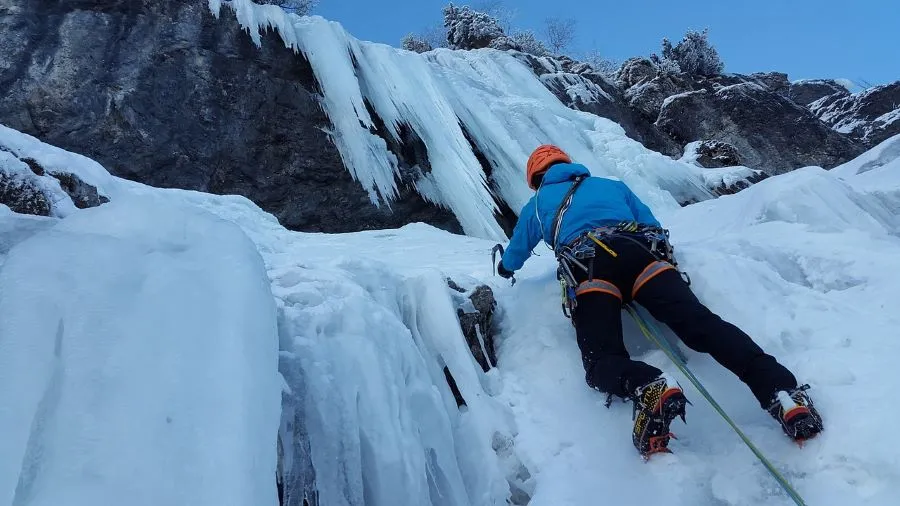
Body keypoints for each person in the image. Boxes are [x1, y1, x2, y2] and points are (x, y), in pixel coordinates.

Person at [497, 145, 824, 457]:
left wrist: (504, 267)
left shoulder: (538, 203)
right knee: (703, 326)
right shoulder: (612, 186)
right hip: (643, 256)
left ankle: (647, 384)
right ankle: (782, 392)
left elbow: (517, 251)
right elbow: (650, 223)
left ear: (536, 178)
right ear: (569, 165)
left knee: (601, 361)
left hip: (590, 268)